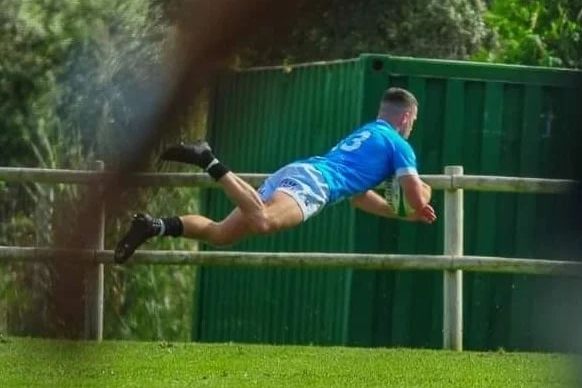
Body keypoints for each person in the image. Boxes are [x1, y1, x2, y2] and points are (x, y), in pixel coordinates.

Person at [114, 87, 436, 263]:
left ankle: (153, 226)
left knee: (220, 234)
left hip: (300, 172)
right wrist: (421, 204)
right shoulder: (399, 145)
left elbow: (359, 197)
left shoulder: (371, 134)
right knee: (263, 222)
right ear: (407, 117)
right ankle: (208, 159)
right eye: (415, 120)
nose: (413, 126)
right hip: (313, 184)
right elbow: (416, 195)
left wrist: (398, 214)